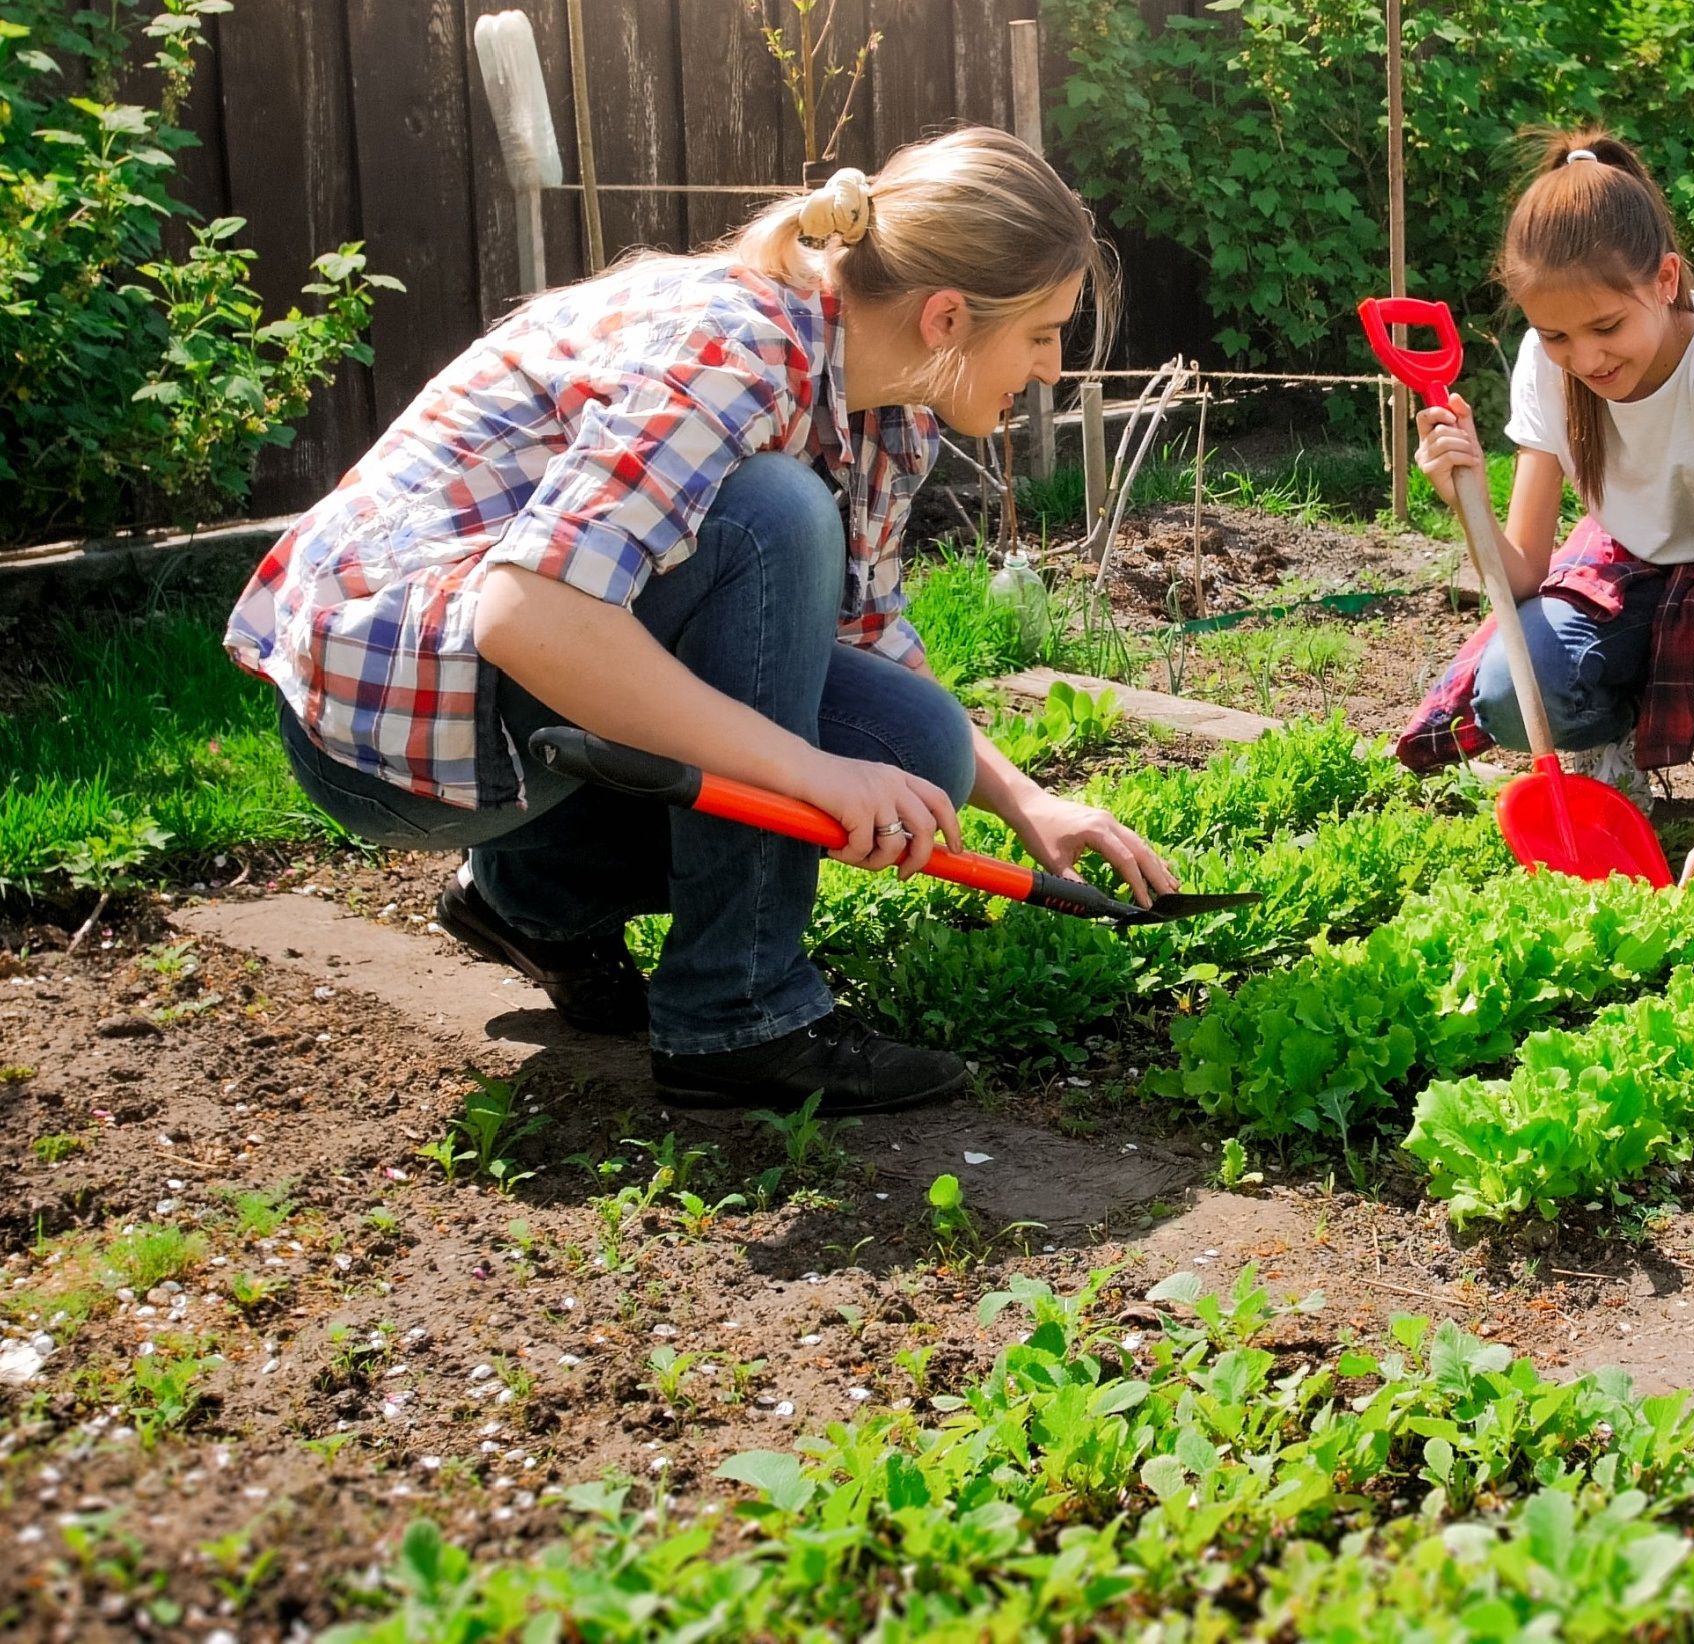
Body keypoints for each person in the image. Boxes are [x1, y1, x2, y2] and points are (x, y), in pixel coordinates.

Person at [227, 127, 1174, 1109]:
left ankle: (529, 896)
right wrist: (807, 771)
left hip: (506, 699)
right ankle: (737, 1012)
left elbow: (857, 635)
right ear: (946, 317)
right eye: (1041, 333)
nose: (1055, 368)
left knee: (914, 752)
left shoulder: (887, 404)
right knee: (773, 517)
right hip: (393, 724)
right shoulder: (741, 347)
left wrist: (1028, 801)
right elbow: (527, 612)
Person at [1395, 130, 1694, 883]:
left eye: (1607, 327)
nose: (1587, 358)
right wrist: (1463, 493)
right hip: (1630, 579)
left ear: (1666, 278)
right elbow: (1521, 575)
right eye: (1557, 334)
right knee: (1509, 688)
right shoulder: (1549, 366)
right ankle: (1609, 753)